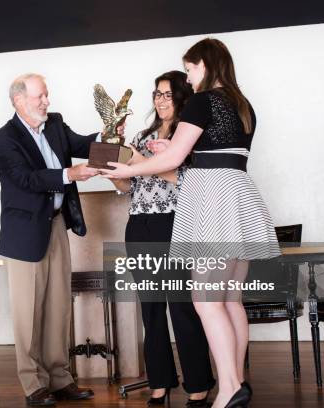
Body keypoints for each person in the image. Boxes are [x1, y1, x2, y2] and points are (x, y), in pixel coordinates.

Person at [102, 39, 280, 408]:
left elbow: (178, 158)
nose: (188, 77)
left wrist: (129, 167)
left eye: (190, 68)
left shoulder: (202, 101)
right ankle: (238, 381)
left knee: (205, 299)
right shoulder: (243, 105)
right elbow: (215, 153)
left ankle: (230, 388)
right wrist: (171, 153)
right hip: (239, 196)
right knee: (231, 299)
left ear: (207, 65)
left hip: (213, 203)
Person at [0, 73, 122, 406]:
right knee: (28, 313)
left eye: (47, 95)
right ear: (19, 101)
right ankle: (33, 384)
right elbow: (26, 178)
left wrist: (110, 136)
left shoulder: (55, 124)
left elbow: (84, 146)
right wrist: (70, 174)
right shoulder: (4, 139)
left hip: (56, 226)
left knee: (59, 306)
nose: (47, 101)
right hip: (23, 237)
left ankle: (60, 378)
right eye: (40, 97)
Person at [110, 71, 215, 406]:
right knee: (150, 309)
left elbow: (182, 179)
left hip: (173, 224)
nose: (159, 99)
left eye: (167, 94)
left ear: (182, 96)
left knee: (182, 306)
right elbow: (130, 186)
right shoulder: (143, 135)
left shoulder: (190, 134)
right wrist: (116, 172)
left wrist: (142, 162)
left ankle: (198, 383)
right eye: (156, 94)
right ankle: (159, 381)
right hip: (139, 225)